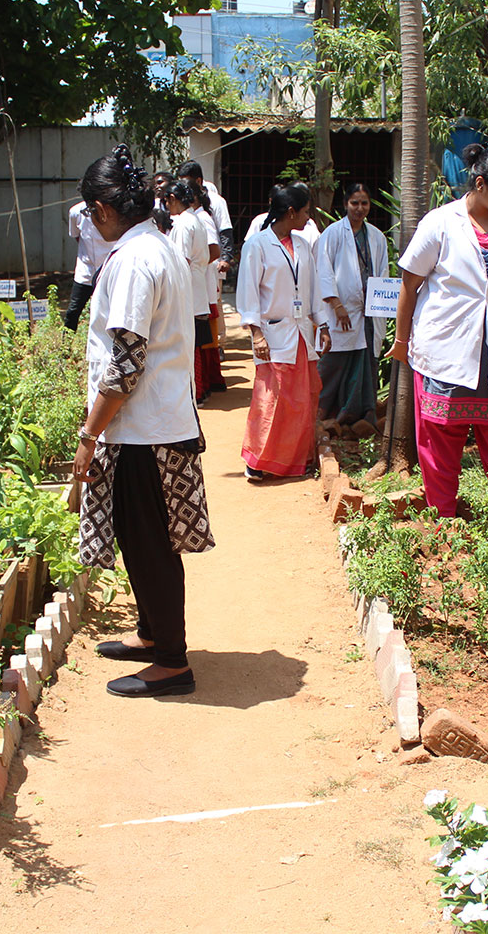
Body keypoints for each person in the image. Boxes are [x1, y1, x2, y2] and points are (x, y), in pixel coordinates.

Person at [74, 144, 215, 698]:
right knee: (142, 539)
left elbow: (126, 362)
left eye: (89, 212)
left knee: (150, 544)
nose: (89, 222)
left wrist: (89, 435)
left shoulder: (134, 259)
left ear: (104, 209)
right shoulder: (157, 247)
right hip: (157, 422)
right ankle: (154, 638)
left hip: (143, 430)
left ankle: (173, 662)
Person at [387, 141, 488, 518]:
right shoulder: (439, 222)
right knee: (440, 440)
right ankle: (444, 518)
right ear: (480, 184)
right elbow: (409, 284)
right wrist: (402, 341)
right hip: (445, 349)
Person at [236, 183, 333, 482]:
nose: (308, 218)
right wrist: (256, 334)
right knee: (270, 399)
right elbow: (248, 292)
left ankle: (294, 461)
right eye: (305, 211)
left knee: (302, 400)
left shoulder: (303, 245)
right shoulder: (257, 245)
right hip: (272, 334)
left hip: (301, 333)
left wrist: (324, 324)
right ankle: (259, 460)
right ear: (291, 212)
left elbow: (313, 289)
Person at [314, 183, 389, 437]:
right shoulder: (333, 234)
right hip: (340, 312)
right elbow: (323, 271)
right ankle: (323, 413)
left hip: (369, 313)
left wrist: (380, 304)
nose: (359, 208)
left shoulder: (377, 237)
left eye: (364, 203)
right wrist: (337, 305)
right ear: (345, 204)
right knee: (334, 361)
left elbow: (383, 274)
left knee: (365, 361)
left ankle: (360, 415)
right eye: (354, 203)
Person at [164, 180, 222, 402]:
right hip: (196, 286)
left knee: (189, 345)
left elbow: (180, 260)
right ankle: (201, 389)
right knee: (196, 343)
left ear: (173, 199)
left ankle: (194, 392)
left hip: (187, 287)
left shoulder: (182, 224)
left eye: (167, 201)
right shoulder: (196, 220)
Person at [62, 198, 115, 329]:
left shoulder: (112, 211)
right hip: (86, 270)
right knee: (73, 311)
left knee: (110, 310)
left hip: (109, 269)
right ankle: (65, 344)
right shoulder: (75, 212)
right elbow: (76, 236)